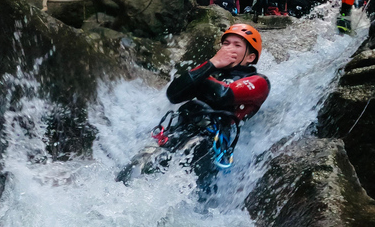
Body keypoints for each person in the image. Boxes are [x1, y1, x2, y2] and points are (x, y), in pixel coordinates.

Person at [116, 24, 270, 194]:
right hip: (180, 129)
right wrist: (210, 65)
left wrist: (204, 73)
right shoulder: (211, 70)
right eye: (225, 44)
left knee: (184, 158)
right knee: (137, 164)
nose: (228, 48)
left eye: (236, 45)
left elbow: (223, 95)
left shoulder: (259, 81)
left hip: (211, 141)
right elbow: (173, 94)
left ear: (250, 57)